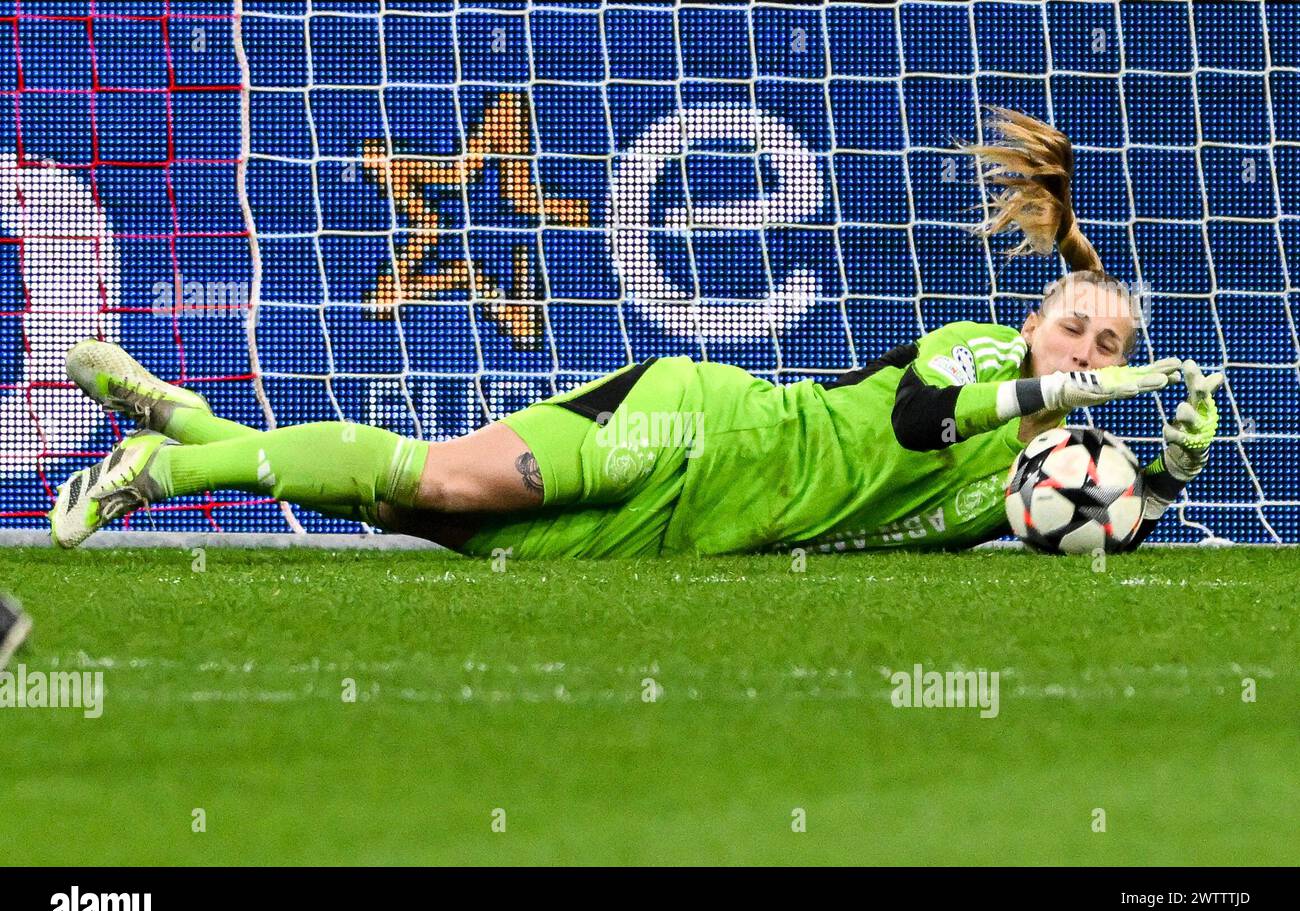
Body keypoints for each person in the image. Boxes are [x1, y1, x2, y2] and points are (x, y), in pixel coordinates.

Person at [49, 109, 1222, 556]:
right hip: (701, 428)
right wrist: (1047, 395)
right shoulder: (981, 355)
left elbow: (1095, 533)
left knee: (417, 516)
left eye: (1107, 351)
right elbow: (921, 417)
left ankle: (189, 421)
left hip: (705, 532)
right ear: (1036, 322)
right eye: (1076, 331)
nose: (1085, 356)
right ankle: (159, 469)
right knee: (449, 483)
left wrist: (1165, 474)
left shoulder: (1040, 476)